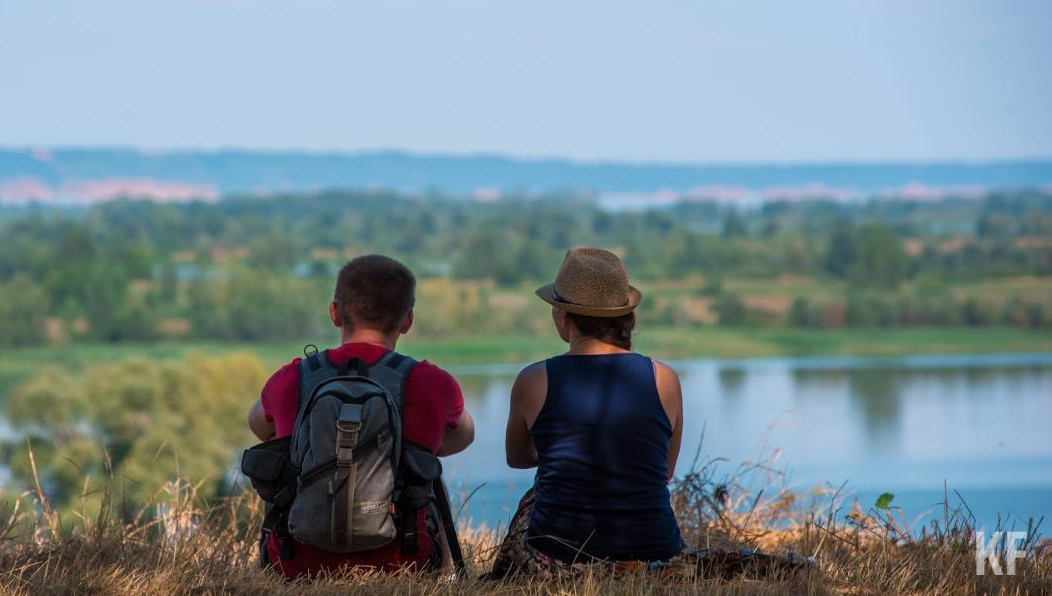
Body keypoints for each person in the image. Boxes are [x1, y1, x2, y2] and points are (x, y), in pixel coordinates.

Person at [247, 254, 475, 578]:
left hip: (294, 560)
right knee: (427, 474)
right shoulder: (433, 382)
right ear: (408, 320)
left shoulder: (292, 379)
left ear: (334, 313)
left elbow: (258, 426)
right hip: (405, 563)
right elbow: (464, 435)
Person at [491, 247, 685, 576]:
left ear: (563, 317)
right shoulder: (664, 378)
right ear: (626, 317)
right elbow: (662, 472)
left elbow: (517, 457)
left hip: (560, 557)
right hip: (657, 554)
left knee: (535, 496)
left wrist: (567, 449)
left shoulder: (533, 379)